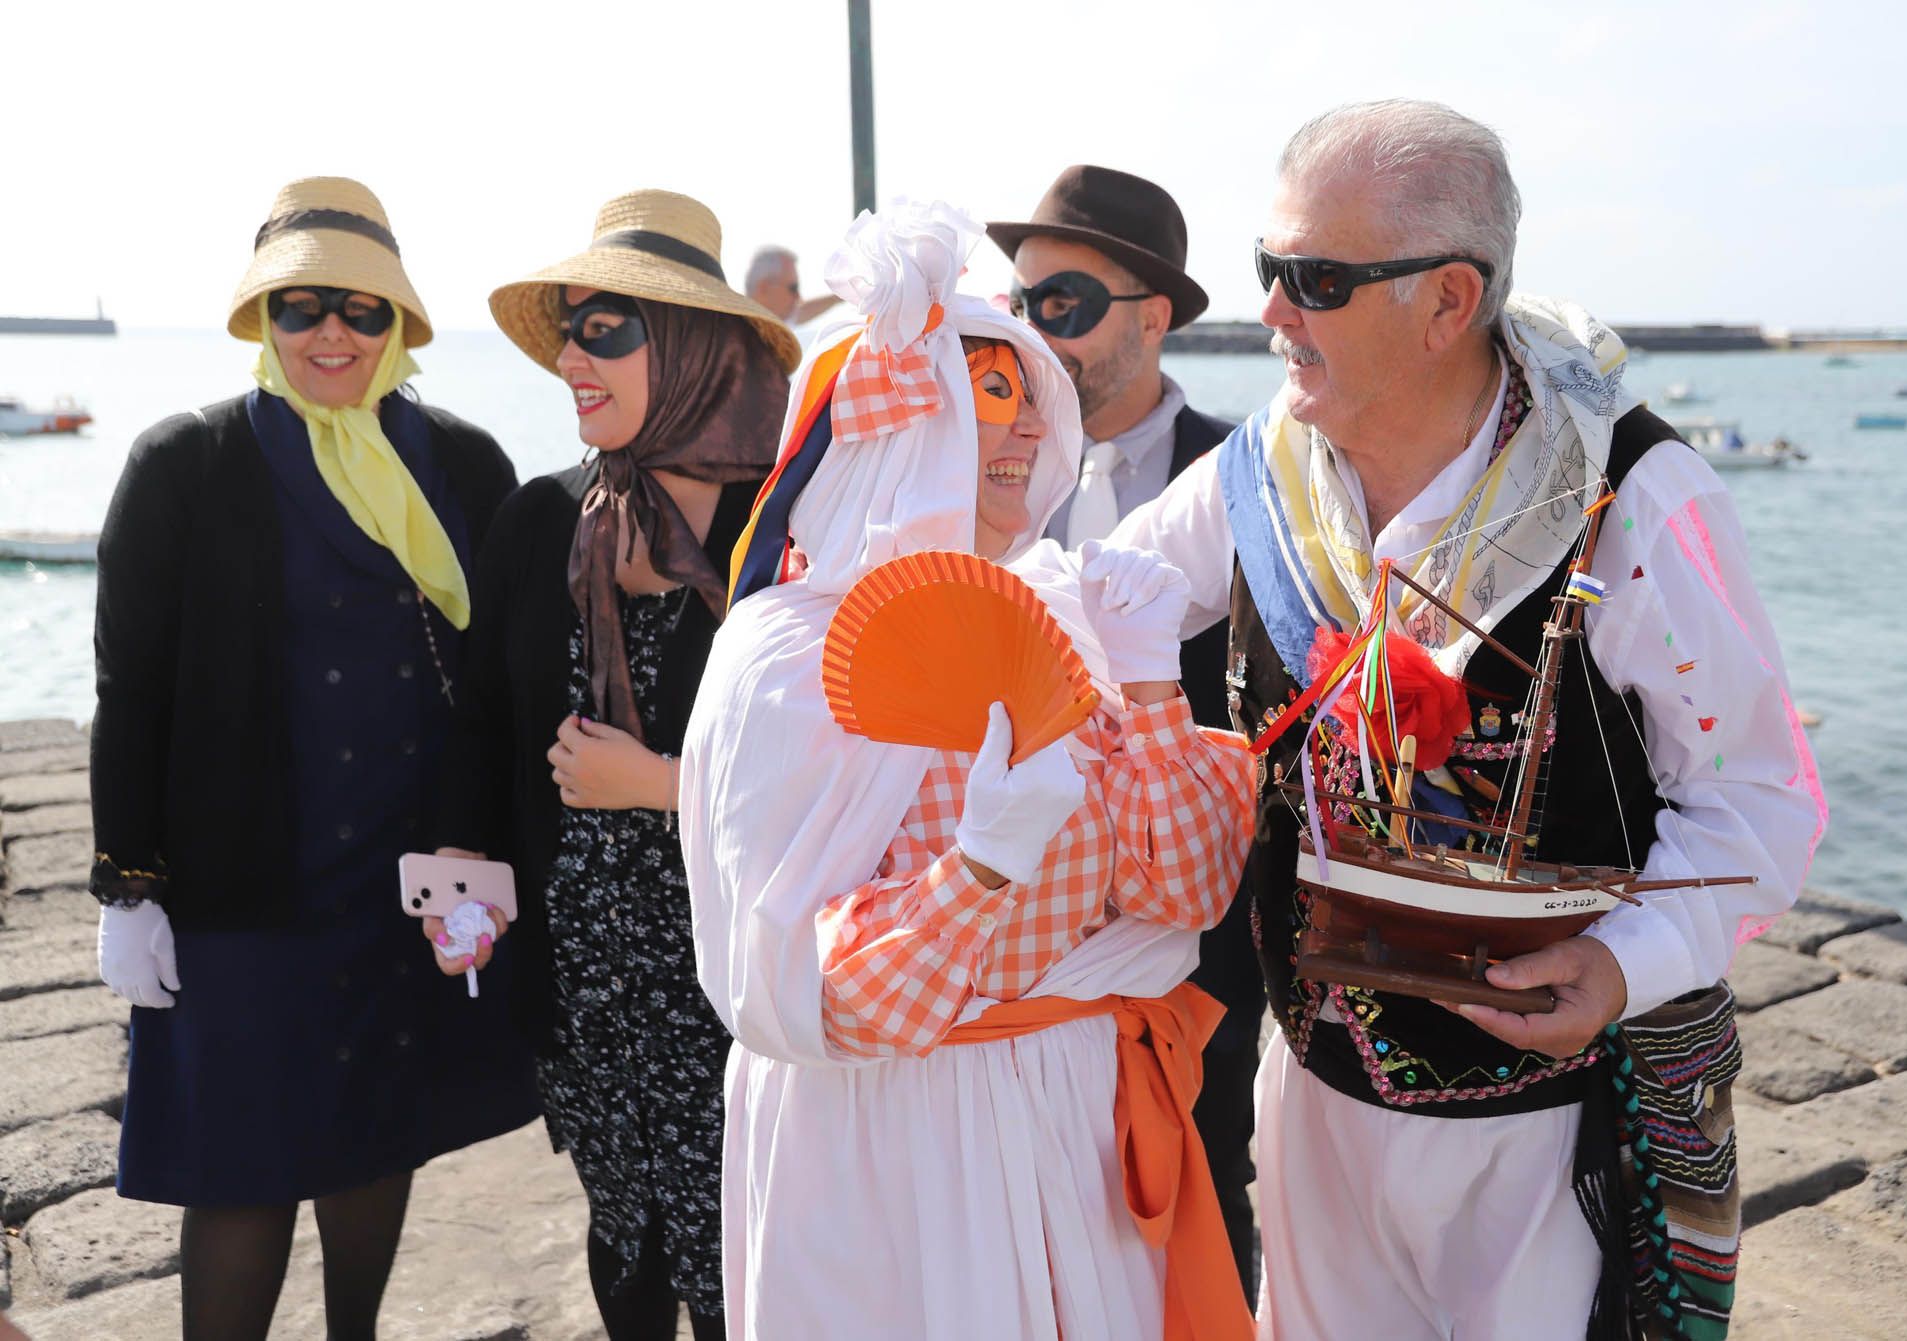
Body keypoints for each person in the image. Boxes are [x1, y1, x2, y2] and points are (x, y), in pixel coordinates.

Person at [1111, 101, 1829, 1340]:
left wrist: (1625, 964)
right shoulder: (1260, 475)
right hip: (1316, 1095)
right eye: (1266, 271)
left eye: (1314, 279)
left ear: (1448, 301)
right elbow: (1097, 601)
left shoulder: (1633, 501)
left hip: (1547, 1127)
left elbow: (1760, 797)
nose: (1270, 312)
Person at [681, 200, 1257, 1340]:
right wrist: (981, 867)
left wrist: (1149, 689)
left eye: (1025, 400)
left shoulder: (1066, 608)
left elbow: (1182, 892)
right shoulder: (785, 658)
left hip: (1079, 1125)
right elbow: (797, 992)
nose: (1022, 434)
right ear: (897, 429)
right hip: (902, 1149)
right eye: (977, 399)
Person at [89, 177, 539, 1341]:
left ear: (400, 324)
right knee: (236, 1168)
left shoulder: (465, 463)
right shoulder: (181, 462)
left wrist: (484, 851)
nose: (331, 333)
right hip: (239, 880)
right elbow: (130, 686)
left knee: (370, 1132)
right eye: (300, 308)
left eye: (361, 309)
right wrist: (127, 884)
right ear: (260, 321)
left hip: (401, 878)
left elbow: (496, 683)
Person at [431, 191, 797, 1341]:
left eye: (608, 332)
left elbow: (835, 764)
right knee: (624, 1237)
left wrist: (660, 781)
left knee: (745, 1259)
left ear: (689, 349)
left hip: (730, 987)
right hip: (582, 980)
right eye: (569, 332)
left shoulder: (787, 529)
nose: (575, 360)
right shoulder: (544, 518)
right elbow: (486, 716)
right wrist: (461, 858)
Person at [988, 163, 1265, 1302]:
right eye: (1018, 306)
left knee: (1210, 1172)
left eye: (1063, 302)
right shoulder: (984, 469)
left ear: (1152, 316)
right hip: (1012, 924)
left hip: (1205, 924)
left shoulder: (1250, 479)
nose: (1031, 334)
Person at [743, 244, 842, 326]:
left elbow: (803, 311)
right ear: (764, 287)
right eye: (793, 288)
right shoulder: (739, 336)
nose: (798, 296)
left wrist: (841, 294)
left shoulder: (771, 323)